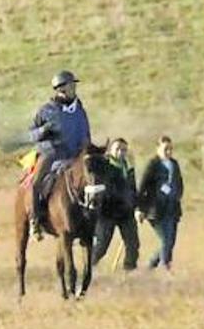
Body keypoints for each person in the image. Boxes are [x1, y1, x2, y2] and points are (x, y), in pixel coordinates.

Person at [10, 70, 92, 241]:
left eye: (74, 85)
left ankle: (91, 223)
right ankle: (35, 221)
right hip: (51, 154)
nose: (74, 88)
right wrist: (43, 131)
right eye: (71, 85)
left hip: (75, 156)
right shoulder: (46, 111)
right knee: (35, 183)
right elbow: (30, 134)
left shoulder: (80, 110)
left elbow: (86, 133)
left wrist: (87, 148)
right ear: (61, 89)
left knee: (94, 181)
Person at [91, 138, 140, 270]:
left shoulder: (127, 167)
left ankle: (129, 271)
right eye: (118, 149)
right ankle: (89, 267)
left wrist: (137, 206)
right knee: (101, 246)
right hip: (107, 212)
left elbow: (133, 188)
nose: (121, 152)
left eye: (124, 150)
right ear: (111, 150)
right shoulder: (104, 166)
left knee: (133, 244)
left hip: (126, 212)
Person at [137, 136, 184, 270]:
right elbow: (142, 187)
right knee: (166, 239)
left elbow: (179, 182)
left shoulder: (174, 164)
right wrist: (139, 208)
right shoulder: (153, 164)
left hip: (172, 208)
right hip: (155, 209)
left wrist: (177, 195)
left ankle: (151, 265)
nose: (168, 152)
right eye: (165, 149)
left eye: (170, 149)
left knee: (170, 241)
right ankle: (165, 267)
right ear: (158, 149)